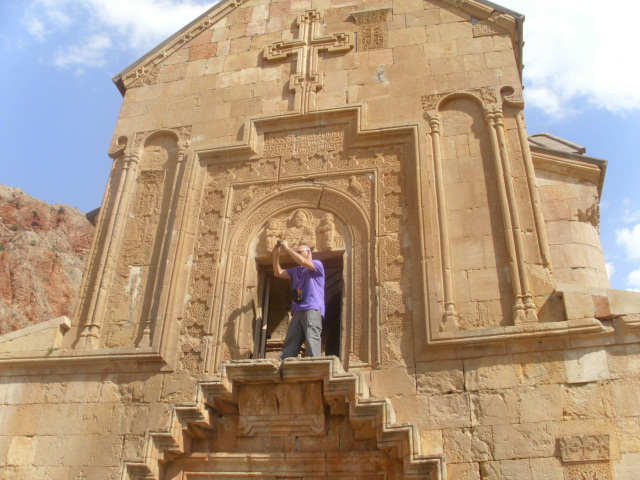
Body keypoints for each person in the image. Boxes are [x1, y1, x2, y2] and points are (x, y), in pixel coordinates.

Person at [272, 239, 325, 359]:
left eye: (299, 252)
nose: (297, 254)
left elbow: (303, 261)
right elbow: (278, 273)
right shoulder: (296, 270)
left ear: (308, 252)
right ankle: (284, 364)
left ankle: (315, 364)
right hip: (298, 309)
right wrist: (275, 256)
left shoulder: (317, 264)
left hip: (312, 307)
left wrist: (287, 249)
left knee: (312, 337)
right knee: (291, 339)